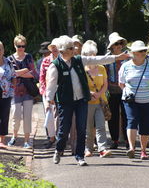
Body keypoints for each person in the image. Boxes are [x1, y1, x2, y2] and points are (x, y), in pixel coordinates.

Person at [46, 35, 129, 166]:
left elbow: (96, 59)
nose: (74, 50)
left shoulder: (78, 60)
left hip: (81, 101)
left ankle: (80, 156)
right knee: (64, 129)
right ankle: (58, 149)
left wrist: (116, 58)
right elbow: (51, 84)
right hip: (65, 102)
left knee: (81, 128)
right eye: (70, 48)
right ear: (62, 51)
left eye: (73, 47)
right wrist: (49, 99)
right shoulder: (55, 66)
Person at [118, 40, 149, 159]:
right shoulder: (125, 66)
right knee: (132, 120)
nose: (144, 52)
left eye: (145, 50)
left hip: (148, 100)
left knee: (146, 125)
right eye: (141, 51)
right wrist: (129, 92)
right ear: (134, 53)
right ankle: (132, 148)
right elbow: (121, 83)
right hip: (131, 100)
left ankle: (143, 151)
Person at [7, 34, 38, 149]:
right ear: (14, 46)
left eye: (23, 46)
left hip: (28, 92)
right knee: (15, 115)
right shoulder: (10, 59)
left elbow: (34, 74)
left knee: (27, 116)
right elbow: (10, 74)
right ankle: (14, 136)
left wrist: (19, 73)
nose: (21, 48)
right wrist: (25, 70)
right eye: (19, 46)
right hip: (15, 92)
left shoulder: (29, 57)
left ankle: (26, 140)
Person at [83, 40, 112, 158]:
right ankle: (88, 149)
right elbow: (81, 85)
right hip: (87, 102)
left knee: (101, 126)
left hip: (101, 101)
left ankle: (102, 149)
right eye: (89, 55)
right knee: (88, 127)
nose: (91, 57)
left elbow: (105, 84)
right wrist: (89, 93)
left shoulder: (101, 68)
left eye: (93, 54)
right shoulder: (82, 69)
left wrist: (99, 94)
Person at [106, 32, 128, 149]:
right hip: (111, 91)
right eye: (116, 43)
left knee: (126, 116)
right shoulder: (107, 58)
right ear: (112, 46)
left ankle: (127, 140)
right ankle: (114, 140)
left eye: (120, 43)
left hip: (125, 90)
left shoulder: (128, 57)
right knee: (112, 117)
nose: (119, 45)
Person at [39, 38, 60, 148]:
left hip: (61, 91)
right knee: (49, 115)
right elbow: (41, 78)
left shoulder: (63, 59)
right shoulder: (46, 60)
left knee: (60, 116)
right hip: (48, 91)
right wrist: (45, 94)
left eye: (56, 48)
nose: (55, 50)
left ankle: (61, 139)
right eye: (53, 48)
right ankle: (51, 138)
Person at [0, 41, 16, 149]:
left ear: (3, 50)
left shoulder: (8, 61)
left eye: (0, 49)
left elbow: (14, 75)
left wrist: (12, 89)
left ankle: (2, 140)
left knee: (4, 117)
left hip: (6, 94)